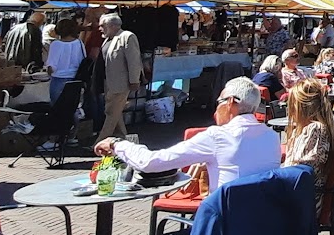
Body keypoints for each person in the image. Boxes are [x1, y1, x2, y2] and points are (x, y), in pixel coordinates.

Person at [95, 77, 280, 188]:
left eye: (219, 102)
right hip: (260, 227)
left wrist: (116, 144)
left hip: (222, 226)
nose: (216, 110)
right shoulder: (272, 137)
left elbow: (151, 163)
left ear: (230, 102)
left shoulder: (218, 136)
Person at [280, 79, 334, 215]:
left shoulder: (315, 129)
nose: (289, 109)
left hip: (303, 201)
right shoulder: (311, 128)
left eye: (291, 103)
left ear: (302, 106)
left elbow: (302, 172)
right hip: (299, 194)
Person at [95, 13, 144, 143]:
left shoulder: (127, 37)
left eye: (102, 26)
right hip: (108, 82)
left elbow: (134, 61)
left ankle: (100, 142)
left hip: (121, 83)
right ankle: (122, 138)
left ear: (112, 26)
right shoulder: (108, 39)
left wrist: (134, 80)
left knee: (111, 113)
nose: (100, 29)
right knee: (115, 112)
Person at [45, 18, 85, 105]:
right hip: (76, 79)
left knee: (57, 108)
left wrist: (48, 73)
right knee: (72, 107)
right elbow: (83, 60)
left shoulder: (56, 44)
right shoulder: (79, 43)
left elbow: (52, 67)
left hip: (59, 79)